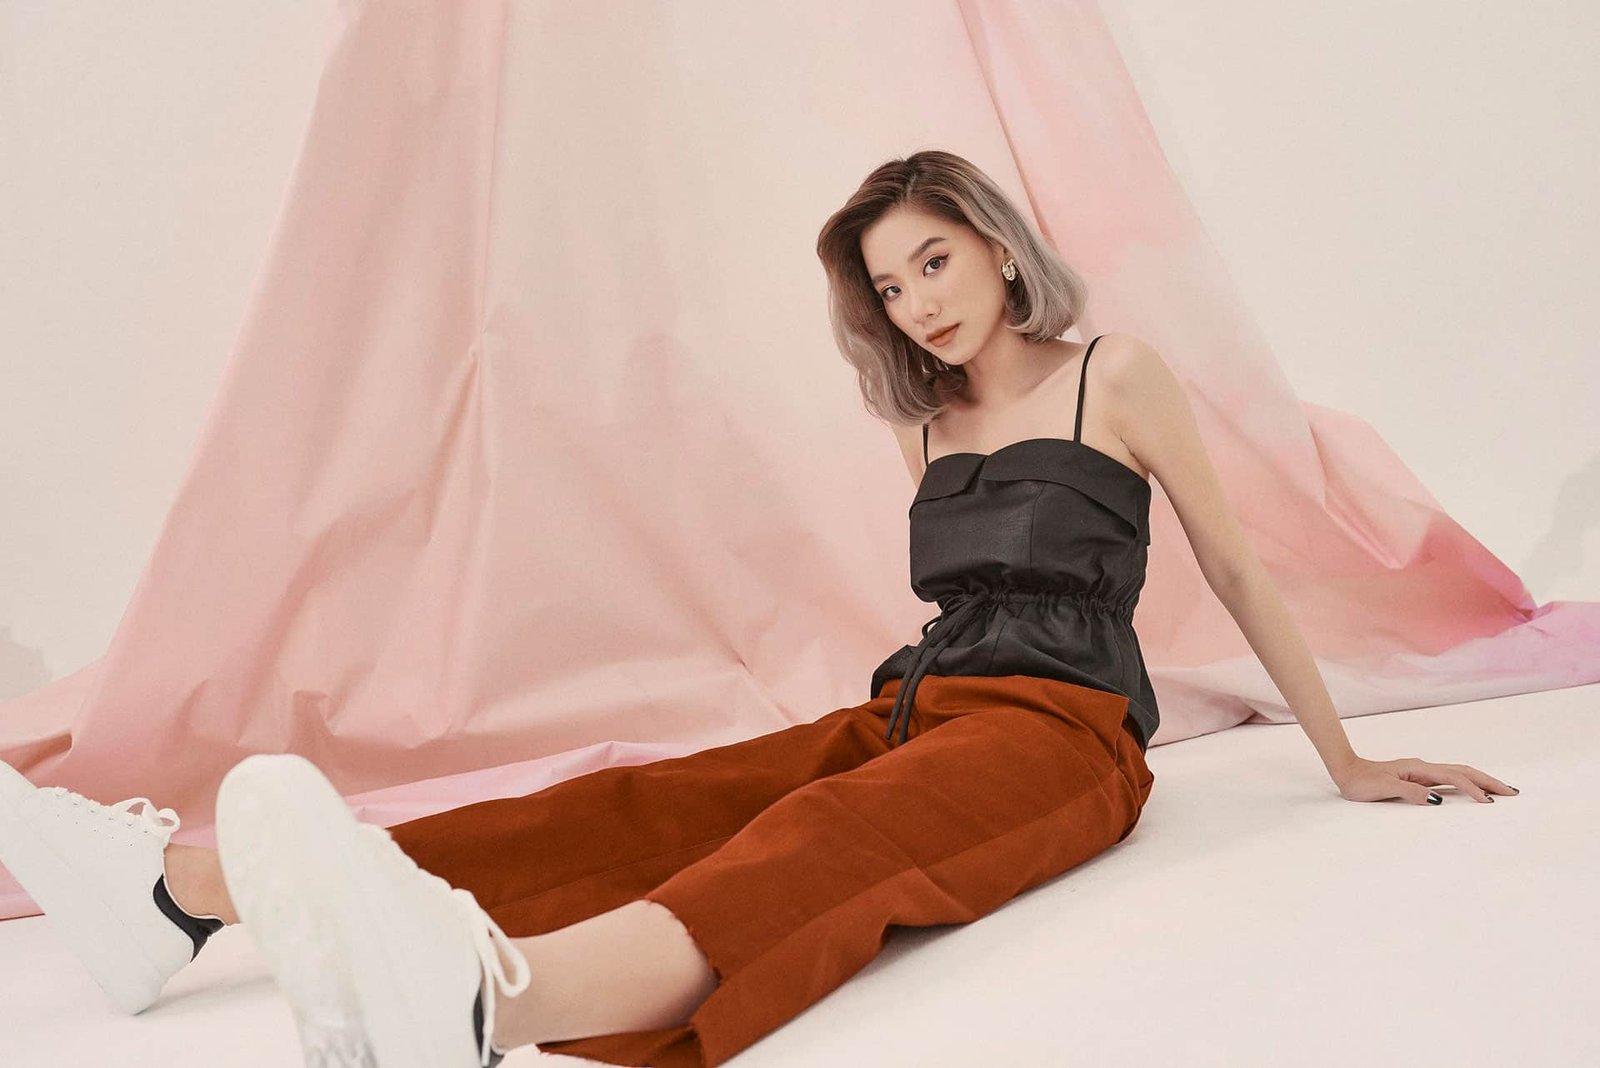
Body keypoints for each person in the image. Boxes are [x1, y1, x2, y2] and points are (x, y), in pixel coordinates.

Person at [0, 149, 1518, 1068]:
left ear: (998, 246)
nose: (920, 301)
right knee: (636, 803)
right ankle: (181, 897)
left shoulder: (1115, 374)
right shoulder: (927, 426)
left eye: (935, 260)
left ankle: (479, 1004)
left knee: (826, 842)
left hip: (1065, 736)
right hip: (915, 702)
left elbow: (1238, 569)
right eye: (891, 286)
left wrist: (1346, 760)